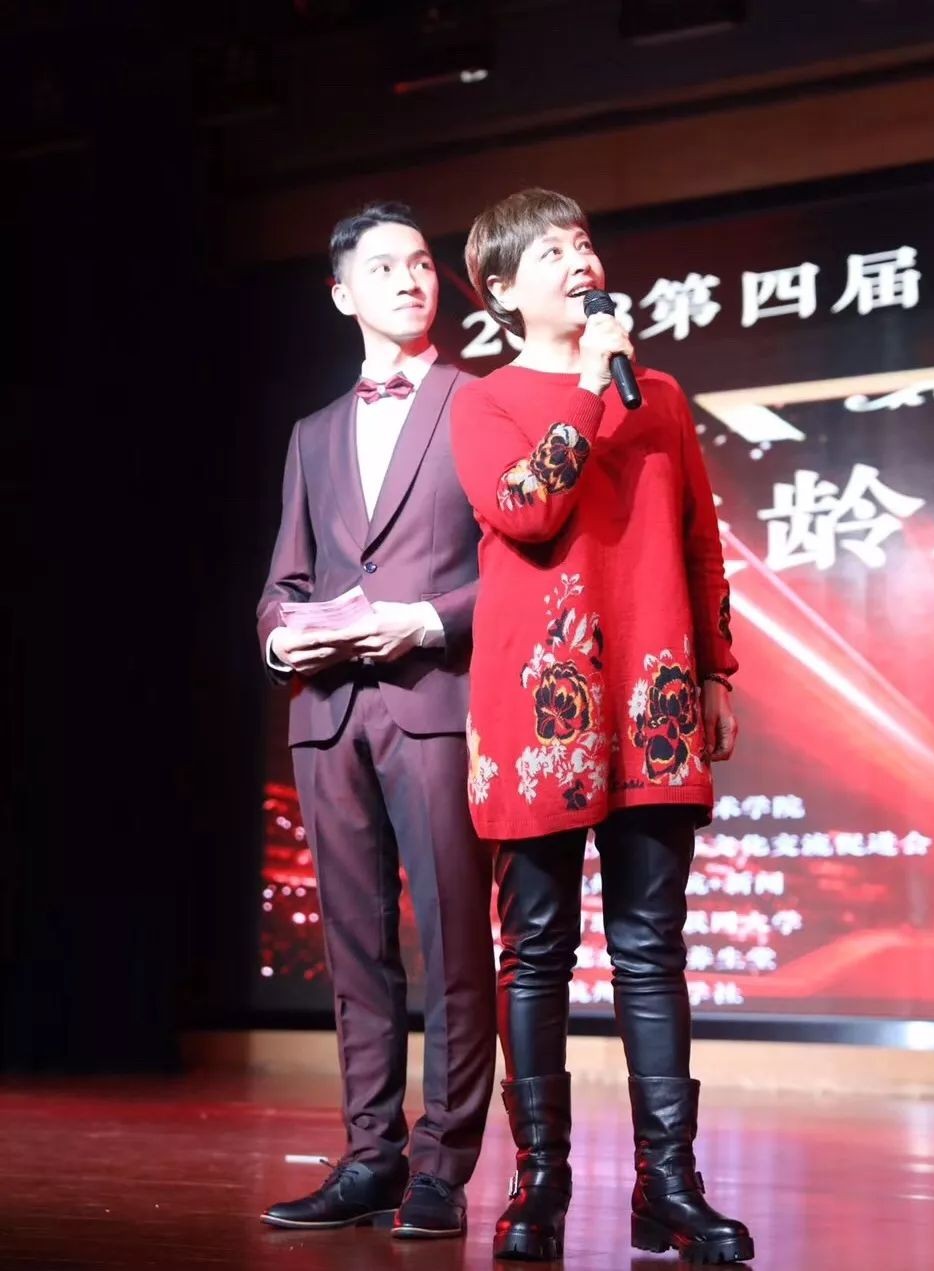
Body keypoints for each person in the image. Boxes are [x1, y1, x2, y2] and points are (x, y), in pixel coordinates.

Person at [450, 188, 755, 1265]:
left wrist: (714, 667)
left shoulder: (657, 393)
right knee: (535, 947)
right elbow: (526, 508)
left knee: (649, 944)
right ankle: (539, 1181)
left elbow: (700, 536)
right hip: (539, 698)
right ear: (501, 291)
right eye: (551, 252)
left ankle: (667, 1184)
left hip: (653, 684)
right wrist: (586, 387)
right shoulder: (484, 402)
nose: (579, 261)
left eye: (583, 243)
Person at [257, 202, 496, 1240]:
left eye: (422, 264)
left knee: (452, 938)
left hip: (433, 699)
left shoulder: (478, 405)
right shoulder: (311, 433)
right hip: (326, 711)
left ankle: (442, 1164)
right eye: (384, 266)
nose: (409, 278)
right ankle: (368, 1155)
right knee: (354, 947)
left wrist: (429, 619)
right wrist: (280, 640)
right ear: (341, 294)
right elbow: (285, 581)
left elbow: (517, 570)